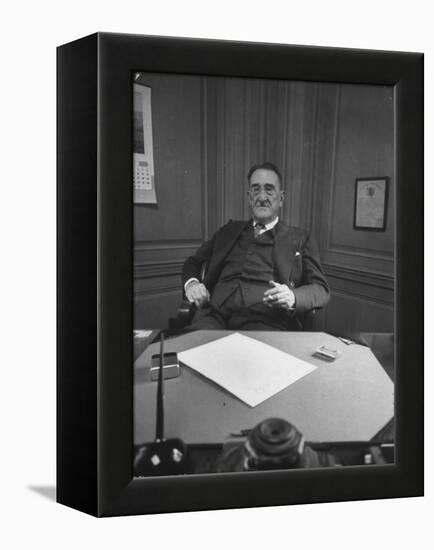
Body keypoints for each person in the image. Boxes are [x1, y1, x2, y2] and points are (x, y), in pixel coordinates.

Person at [182, 162, 330, 330]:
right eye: (256, 189)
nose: (262, 197)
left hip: (267, 320)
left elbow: (321, 290)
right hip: (214, 317)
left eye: (269, 189)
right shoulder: (228, 231)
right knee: (190, 351)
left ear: (281, 198)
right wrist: (192, 284)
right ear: (249, 197)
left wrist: (292, 297)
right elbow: (192, 263)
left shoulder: (301, 238)